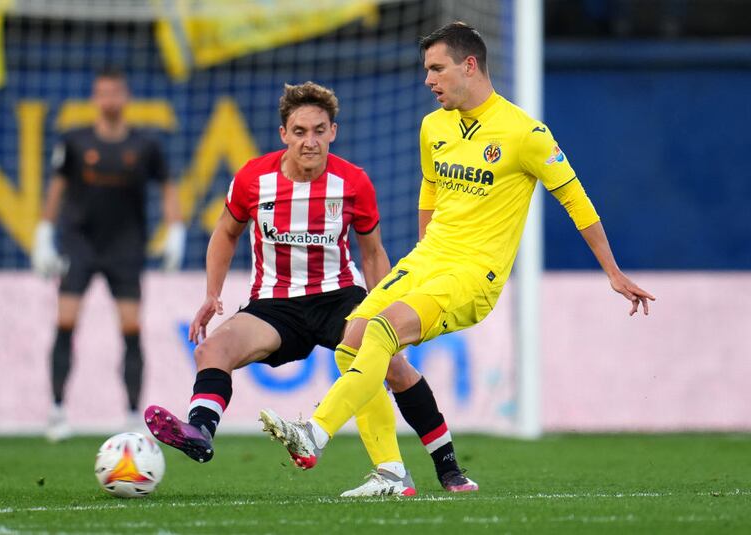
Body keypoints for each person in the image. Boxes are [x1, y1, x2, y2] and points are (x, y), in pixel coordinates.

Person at [260, 22, 656, 471]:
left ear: (470, 66)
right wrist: (423, 252)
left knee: (382, 330)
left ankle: (314, 432)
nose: (428, 80)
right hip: (429, 258)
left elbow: (575, 200)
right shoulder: (434, 126)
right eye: (427, 69)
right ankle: (391, 472)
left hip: (474, 274)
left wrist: (613, 272)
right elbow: (429, 193)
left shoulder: (526, 134)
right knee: (352, 340)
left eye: (437, 68)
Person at [144, 81, 478, 497]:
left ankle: (447, 470)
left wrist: (390, 311)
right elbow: (225, 234)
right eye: (300, 132)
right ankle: (200, 430)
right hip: (274, 304)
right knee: (212, 350)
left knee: (391, 365)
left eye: (319, 130)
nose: (310, 141)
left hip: (338, 297)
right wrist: (212, 295)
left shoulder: (353, 182)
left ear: (333, 132)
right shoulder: (252, 178)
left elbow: (373, 254)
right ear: (283, 134)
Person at [32, 68, 186, 442]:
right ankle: (56, 411)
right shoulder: (74, 141)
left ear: (126, 96)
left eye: (115, 92)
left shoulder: (146, 144)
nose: (109, 100)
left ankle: (133, 414)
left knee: (131, 330)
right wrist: (43, 232)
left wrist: (176, 228)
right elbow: (57, 187)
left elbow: (167, 187)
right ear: (94, 98)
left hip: (126, 247)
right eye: (102, 93)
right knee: (65, 323)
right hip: (80, 244)